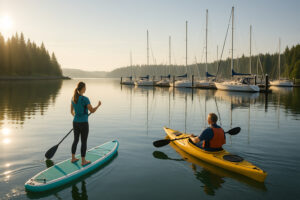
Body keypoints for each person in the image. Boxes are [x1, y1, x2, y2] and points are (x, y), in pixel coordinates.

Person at [71, 82, 101, 166]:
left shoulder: (73, 98)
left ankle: (73, 158)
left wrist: (77, 117)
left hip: (75, 122)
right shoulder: (85, 99)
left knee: (75, 140)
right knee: (83, 142)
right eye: (85, 87)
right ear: (82, 88)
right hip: (83, 123)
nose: (86, 89)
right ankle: (83, 161)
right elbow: (92, 111)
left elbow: (71, 112)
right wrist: (98, 105)